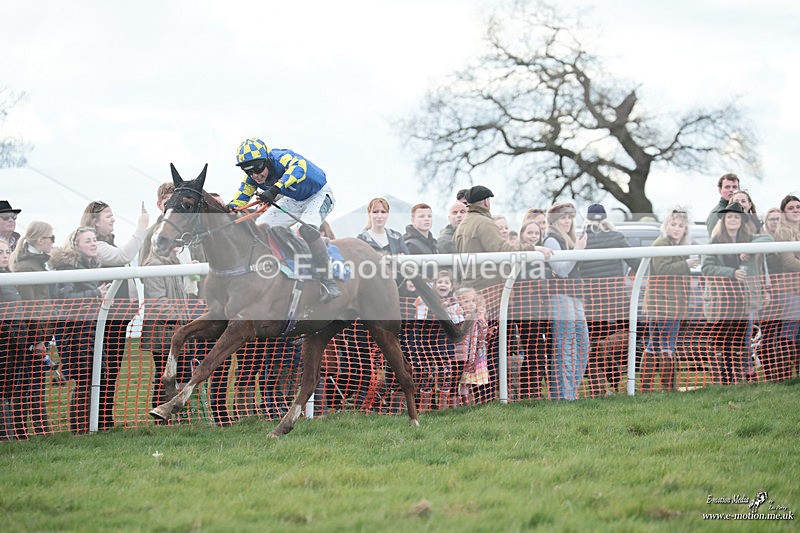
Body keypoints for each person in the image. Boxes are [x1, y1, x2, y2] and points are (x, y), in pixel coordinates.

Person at [230, 137, 340, 302]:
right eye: (248, 171)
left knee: (307, 230)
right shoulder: (252, 178)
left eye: (258, 168)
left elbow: (299, 168)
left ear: (267, 160)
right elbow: (240, 197)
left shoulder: (282, 157)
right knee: (259, 228)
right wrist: (229, 209)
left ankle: (328, 280)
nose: (255, 175)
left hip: (319, 195)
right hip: (294, 200)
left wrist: (274, 190)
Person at [79, 200, 149, 430]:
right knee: (106, 370)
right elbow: (122, 256)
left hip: (118, 317)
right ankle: (99, 419)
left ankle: (106, 418)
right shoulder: (98, 245)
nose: (113, 219)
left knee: (113, 370)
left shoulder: (107, 243)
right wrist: (141, 228)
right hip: (108, 319)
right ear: (94, 222)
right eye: (108, 215)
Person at [49, 227, 110, 433]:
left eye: (94, 239)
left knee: (94, 378)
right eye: (87, 241)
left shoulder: (91, 267)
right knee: (84, 380)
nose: (93, 243)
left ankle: (91, 426)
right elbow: (64, 299)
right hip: (74, 333)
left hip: (89, 331)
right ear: (76, 246)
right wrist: (96, 293)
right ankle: (80, 429)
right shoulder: (67, 269)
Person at [579, 204, 640, 396]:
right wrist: (629, 273)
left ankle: (598, 391)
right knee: (622, 339)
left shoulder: (581, 238)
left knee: (595, 348)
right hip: (616, 301)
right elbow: (637, 263)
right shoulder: (617, 237)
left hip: (591, 303)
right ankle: (614, 385)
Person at [701, 202, 765, 385]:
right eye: (729, 216)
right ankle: (724, 380)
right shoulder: (714, 241)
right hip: (722, 300)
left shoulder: (749, 238)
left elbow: (767, 239)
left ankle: (738, 380)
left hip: (743, 300)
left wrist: (748, 249)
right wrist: (731, 272)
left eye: (736, 216)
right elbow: (706, 267)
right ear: (723, 219)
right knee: (722, 343)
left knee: (740, 342)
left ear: (742, 220)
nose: (733, 219)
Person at [642, 209, 701, 392]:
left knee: (655, 344)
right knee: (665, 345)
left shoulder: (680, 245)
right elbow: (662, 269)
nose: (676, 229)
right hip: (664, 304)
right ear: (666, 225)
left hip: (668, 303)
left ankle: (648, 388)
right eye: (673, 224)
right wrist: (687, 265)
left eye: (681, 226)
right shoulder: (662, 243)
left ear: (685, 229)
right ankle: (667, 388)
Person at [8, 221, 59, 434]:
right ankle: (25, 431)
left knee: (36, 385)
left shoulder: (38, 263)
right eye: (51, 238)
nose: (53, 242)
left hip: (40, 335)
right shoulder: (25, 267)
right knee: (27, 387)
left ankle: (39, 429)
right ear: (40, 240)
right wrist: (38, 339)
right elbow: (29, 307)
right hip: (30, 338)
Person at [543, 202, 590, 400]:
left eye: (570, 217)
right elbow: (561, 270)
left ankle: (571, 391)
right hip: (561, 298)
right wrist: (577, 251)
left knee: (582, 343)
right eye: (563, 217)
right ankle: (564, 396)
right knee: (565, 347)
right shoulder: (551, 240)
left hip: (575, 298)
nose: (567, 221)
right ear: (554, 220)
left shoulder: (570, 240)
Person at [514, 220, 549, 399]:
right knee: (532, 350)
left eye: (536, 233)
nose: (533, 236)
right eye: (530, 233)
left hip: (539, 309)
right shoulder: (520, 252)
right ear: (522, 234)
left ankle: (532, 390)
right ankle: (529, 391)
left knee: (537, 350)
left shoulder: (543, 254)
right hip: (525, 310)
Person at [0, 237, 31, 440]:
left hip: (14, 342)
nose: (4, 256)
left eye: (6, 252)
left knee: (9, 389)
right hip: (5, 341)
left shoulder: (9, 277)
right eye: (0, 253)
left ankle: (8, 433)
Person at [770, 194, 800, 379]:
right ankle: (784, 375)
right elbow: (789, 261)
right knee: (788, 331)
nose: (796, 210)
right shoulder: (783, 232)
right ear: (783, 212)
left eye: (798, 207)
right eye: (791, 208)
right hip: (790, 289)